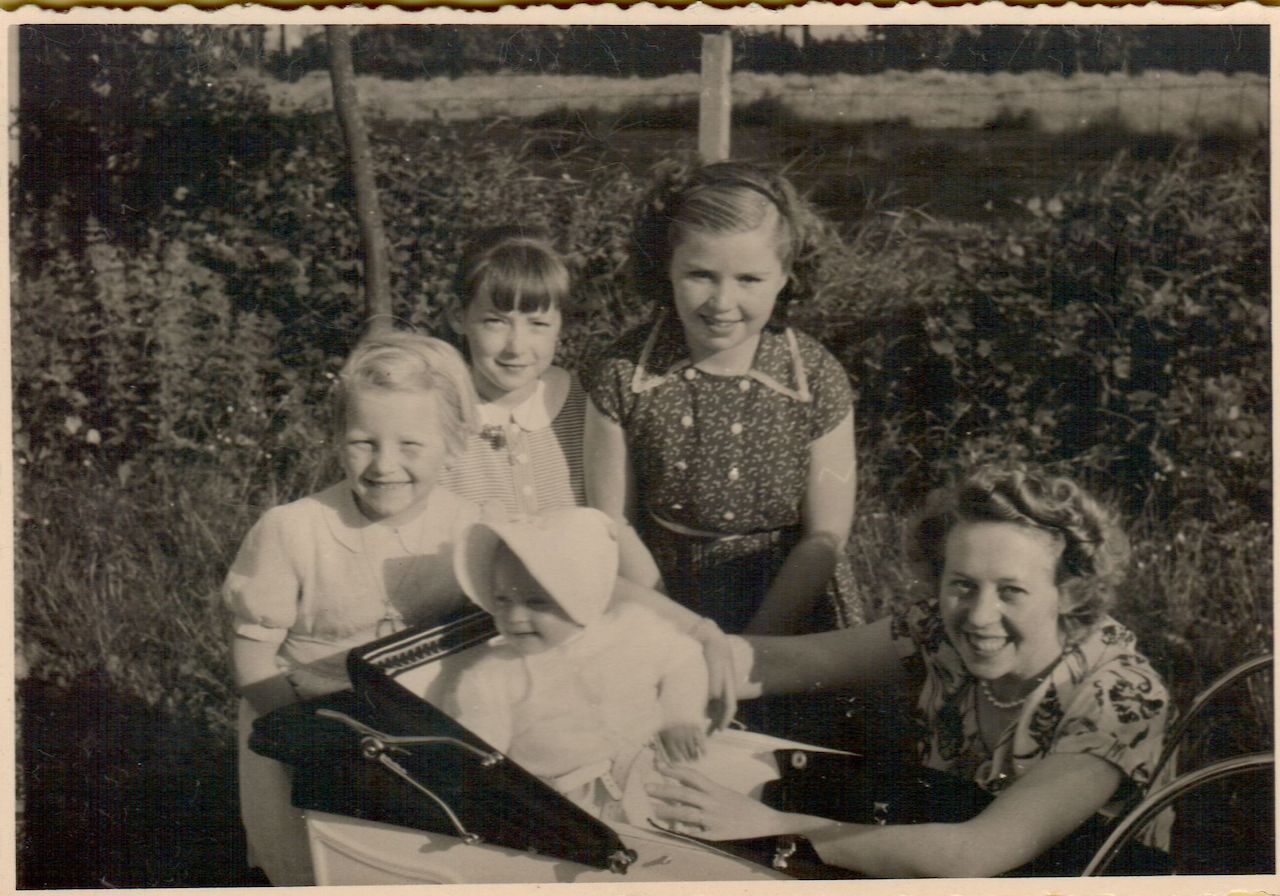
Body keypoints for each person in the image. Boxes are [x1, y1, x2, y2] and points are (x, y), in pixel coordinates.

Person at [645, 465, 1171, 878]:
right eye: (962, 584)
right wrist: (669, 654)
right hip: (933, 851)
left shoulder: (1118, 697)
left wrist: (775, 827)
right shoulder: (937, 630)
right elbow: (787, 662)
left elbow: (974, 854)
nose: (980, 615)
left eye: (1011, 591)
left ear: (1071, 592)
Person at [439, 225, 738, 725]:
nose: (517, 346)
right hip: (478, 650)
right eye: (495, 321)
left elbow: (606, 546)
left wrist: (684, 629)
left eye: (537, 323)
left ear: (561, 324)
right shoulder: (440, 417)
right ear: (458, 317)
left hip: (586, 642)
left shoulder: (582, 405)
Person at [223, 331, 483, 886]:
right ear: (338, 438)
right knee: (312, 864)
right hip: (299, 727)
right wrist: (307, 740)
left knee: (409, 863)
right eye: (364, 442)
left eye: (411, 445)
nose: (385, 465)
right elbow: (253, 662)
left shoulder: (467, 530)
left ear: (455, 443)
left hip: (414, 732)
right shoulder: (294, 531)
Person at [585, 160, 860, 637]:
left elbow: (825, 534)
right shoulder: (622, 374)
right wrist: (685, 635)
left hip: (791, 600)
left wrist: (753, 646)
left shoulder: (815, 377)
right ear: (665, 267)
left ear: (785, 277)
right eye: (700, 275)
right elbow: (614, 523)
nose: (721, 302)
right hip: (660, 598)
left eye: (749, 279)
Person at [430, 507, 708, 822]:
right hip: (566, 804)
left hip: (649, 776)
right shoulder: (494, 676)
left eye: (536, 602)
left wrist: (680, 716)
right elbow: (481, 749)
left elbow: (685, 657)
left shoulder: (631, 629)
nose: (513, 617)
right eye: (502, 600)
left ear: (582, 594)